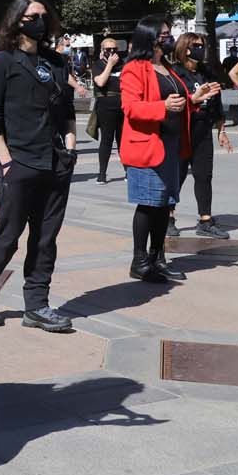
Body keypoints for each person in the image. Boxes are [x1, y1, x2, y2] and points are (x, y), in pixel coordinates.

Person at [0, 0, 77, 334]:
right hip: (16, 161)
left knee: (46, 238)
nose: (40, 21)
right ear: (17, 19)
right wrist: (6, 161)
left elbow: (66, 112)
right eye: (33, 15)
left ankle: (37, 305)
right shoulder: (0, 62)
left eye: (44, 15)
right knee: (9, 234)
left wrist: (69, 150)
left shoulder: (57, 62)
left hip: (54, 162)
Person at [120, 16, 195, 284]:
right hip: (148, 146)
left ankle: (157, 257)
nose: (168, 37)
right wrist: (162, 107)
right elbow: (131, 108)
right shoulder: (134, 69)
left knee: (165, 204)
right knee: (149, 204)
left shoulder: (166, 67)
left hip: (171, 145)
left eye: (168, 33)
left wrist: (193, 100)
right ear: (149, 37)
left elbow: (176, 100)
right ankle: (139, 261)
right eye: (163, 34)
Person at [171, 33, 228, 240]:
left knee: (204, 175)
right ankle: (168, 217)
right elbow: (172, 104)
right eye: (196, 45)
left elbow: (217, 102)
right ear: (185, 48)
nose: (200, 49)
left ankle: (205, 219)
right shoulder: (174, 73)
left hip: (203, 129)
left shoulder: (206, 72)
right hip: (181, 130)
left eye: (202, 45)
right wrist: (193, 99)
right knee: (176, 176)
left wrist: (221, 129)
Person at [91, 37, 124, 184]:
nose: (112, 52)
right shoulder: (98, 65)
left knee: (123, 140)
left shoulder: (122, 65)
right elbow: (100, 81)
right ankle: (102, 173)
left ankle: (128, 171)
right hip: (106, 106)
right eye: (108, 49)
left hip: (122, 106)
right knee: (107, 140)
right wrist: (110, 65)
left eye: (114, 49)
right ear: (102, 51)